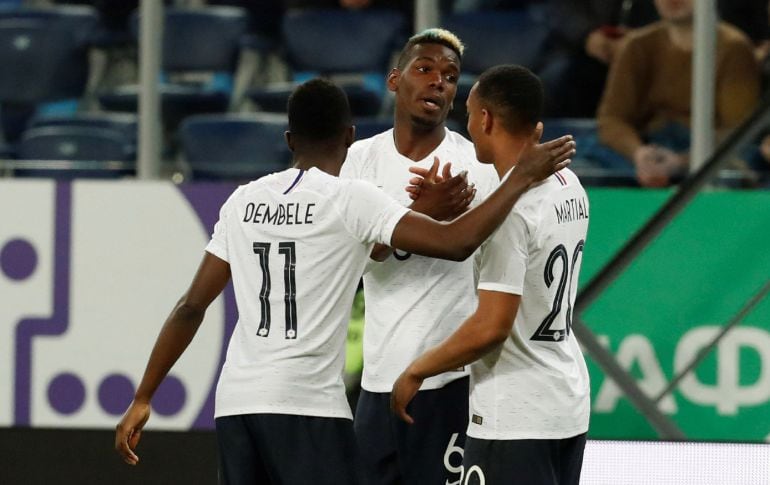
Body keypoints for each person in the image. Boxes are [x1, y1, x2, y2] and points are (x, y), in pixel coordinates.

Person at [114, 78, 575, 484]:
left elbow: (190, 307)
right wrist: (519, 179)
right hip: (307, 404)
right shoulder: (350, 199)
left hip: (237, 405)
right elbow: (457, 243)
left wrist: (143, 396)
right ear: (350, 137)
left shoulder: (243, 201)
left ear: (289, 138)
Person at [391, 64, 590, 485]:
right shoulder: (570, 184)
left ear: (485, 119)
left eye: (468, 112)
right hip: (566, 401)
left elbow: (491, 327)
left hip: (515, 415)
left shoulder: (512, 213)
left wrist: (417, 370)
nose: (467, 122)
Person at [339, 28, 501, 484]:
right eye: (425, 69)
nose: (438, 82)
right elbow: (343, 261)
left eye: (450, 76)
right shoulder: (358, 162)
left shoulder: (474, 168)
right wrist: (417, 215)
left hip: (447, 383)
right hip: (376, 381)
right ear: (395, 80)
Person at [595, 0, 760, 187]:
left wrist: (681, 161)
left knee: (733, 171)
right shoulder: (637, 45)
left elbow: (738, 131)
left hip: (706, 151)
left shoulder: (733, 47)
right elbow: (611, 119)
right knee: (579, 168)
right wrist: (638, 153)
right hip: (646, 146)